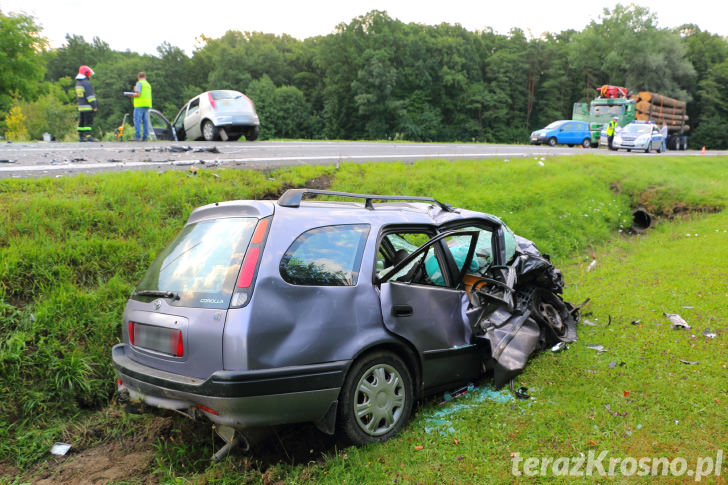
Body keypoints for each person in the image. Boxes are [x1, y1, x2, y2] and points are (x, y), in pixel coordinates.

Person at [126, 72, 153, 141]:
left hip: (140, 104)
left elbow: (138, 94)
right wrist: (136, 90)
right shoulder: (148, 84)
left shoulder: (139, 83)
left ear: (138, 77)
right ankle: (145, 137)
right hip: (147, 104)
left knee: (137, 120)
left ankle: (137, 136)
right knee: (145, 121)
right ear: (145, 77)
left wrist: (130, 95)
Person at [75, 65, 98, 142]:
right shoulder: (86, 83)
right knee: (88, 122)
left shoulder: (78, 83)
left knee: (81, 122)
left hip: (81, 106)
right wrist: (94, 105)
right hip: (88, 107)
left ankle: (81, 137)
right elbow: (90, 96)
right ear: (87, 73)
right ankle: (88, 136)